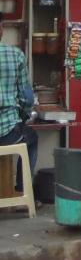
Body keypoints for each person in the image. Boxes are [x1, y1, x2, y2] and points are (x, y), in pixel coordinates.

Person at [0, 21, 36, 193]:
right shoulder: (16, 55)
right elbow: (26, 98)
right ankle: (23, 191)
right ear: (1, 30)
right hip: (8, 132)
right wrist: (24, 116)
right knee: (32, 138)